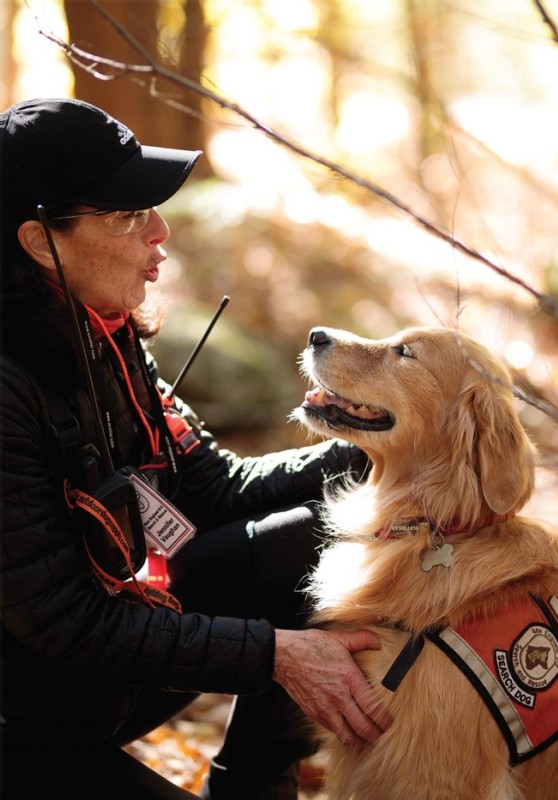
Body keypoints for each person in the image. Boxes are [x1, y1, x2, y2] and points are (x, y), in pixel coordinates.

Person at [0, 97, 391, 800]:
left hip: (104, 672)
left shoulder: (100, 329)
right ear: (38, 241)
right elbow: (62, 620)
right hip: (27, 717)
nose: (160, 232)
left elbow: (215, 489)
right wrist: (277, 655)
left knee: (326, 535)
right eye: (126, 217)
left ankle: (255, 784)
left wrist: (375, 444)